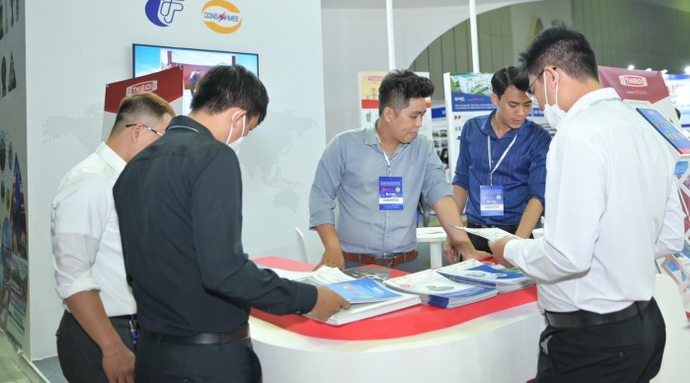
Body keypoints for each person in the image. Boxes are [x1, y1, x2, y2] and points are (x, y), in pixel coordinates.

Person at [113, 65, 349, 382]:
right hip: (206, 360)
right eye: (247, 130)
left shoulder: (134, 166)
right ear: (238, 117)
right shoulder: (213, 157)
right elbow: (224, 271)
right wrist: (310, 299)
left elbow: (142, 266)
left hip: (153, 356)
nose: (241, 139)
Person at [488, 28, 684, 383]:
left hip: (593, 343)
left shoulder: (577, 134)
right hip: (645, 327)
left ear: (551, 76)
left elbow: (568, 256)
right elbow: (670, 237)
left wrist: (510, 249)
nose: (539, 105)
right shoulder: (646, 129)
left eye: (535, 91)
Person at [51, 92, 175, 383]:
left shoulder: (126, 179)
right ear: (138, 131)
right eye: (163, 137)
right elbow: (72, 276)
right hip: (100, 336)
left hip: (131, 329)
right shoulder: (90, 182)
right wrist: (112, 348)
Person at [309, 69, 486, 272]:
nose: (419, 124)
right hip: (353, 265)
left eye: (422, 115)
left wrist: (465, 245)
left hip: (406, 266)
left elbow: (440, 194)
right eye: (413, 116)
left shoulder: (423, 148)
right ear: (388, 114)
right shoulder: (344, 146)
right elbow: (321, 198)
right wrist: (331, 246)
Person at [452, 66, 550, 252]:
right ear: (495, 99)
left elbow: (537, 195)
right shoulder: (472, 129)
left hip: (516, 233)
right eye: (513, 105)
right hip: (474, 233)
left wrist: (516, 247)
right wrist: (454, 233)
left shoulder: (538, 138)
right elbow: (461, 181)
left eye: (527, 105)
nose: (521, 112)